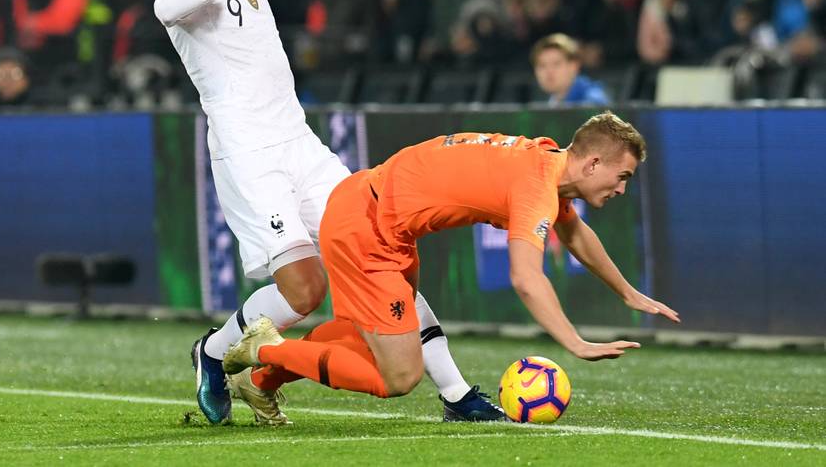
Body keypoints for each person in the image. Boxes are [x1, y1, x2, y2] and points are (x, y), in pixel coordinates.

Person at [153, 0, 502, 426]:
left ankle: (457, 393)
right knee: (304, 292)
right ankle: (212, 353)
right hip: (250, 157)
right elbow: (169, 11)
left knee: (378, 256)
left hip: (301, 144)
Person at [223, 113, 680, 404]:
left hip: (380, 218)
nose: (622, 189)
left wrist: (627, 293)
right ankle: (265, 347)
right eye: (622, 176)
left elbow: (576, 232)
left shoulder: (545, 160)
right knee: (398, 377)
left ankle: (262, 382)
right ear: (593, 163)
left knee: (368, 336)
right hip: (367, 228)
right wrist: (575, 343)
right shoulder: (535, 187)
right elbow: (526, 279)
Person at [531, 34, 610, 106]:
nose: (548, 71)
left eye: (556, 63)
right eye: (542, 65)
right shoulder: (554, 102)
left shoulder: (593, 102)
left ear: (574, 66)